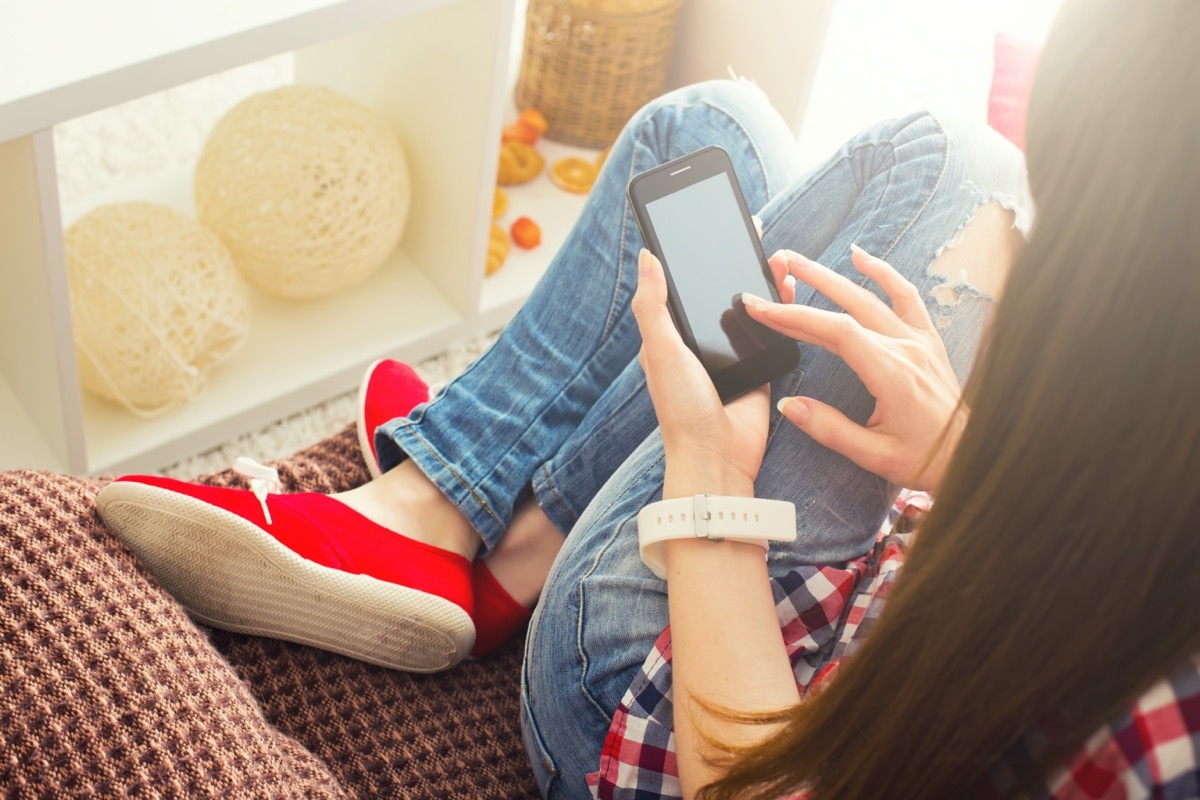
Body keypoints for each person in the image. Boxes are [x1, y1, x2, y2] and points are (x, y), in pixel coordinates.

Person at [94, 0, 1200, 797]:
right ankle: (477, 518)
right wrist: (969, 461)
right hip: (863, 601)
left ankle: (460, 520)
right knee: (706, 133)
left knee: (953, 166)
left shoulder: (1165, 735)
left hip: (691, 708)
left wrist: (711, 476)